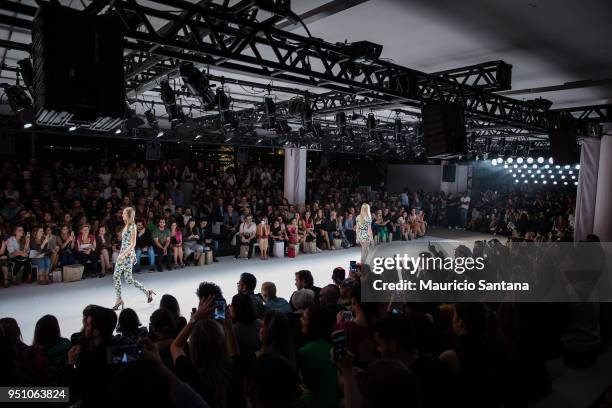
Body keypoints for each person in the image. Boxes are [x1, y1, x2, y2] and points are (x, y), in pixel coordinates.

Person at [298, 305, 342, 408]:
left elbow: (310, 389)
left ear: (313, 324)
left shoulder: (305, 352)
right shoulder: (335, 345)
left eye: (304, 318)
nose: (300, 319)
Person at [112, 207, 155, 310]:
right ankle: (120, 299)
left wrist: (125, 255)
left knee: (124, 278)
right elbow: (124, 243)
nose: (122, 215)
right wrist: (124, 254)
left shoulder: (133, 227)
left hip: (126, 255)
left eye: (124, 214)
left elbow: (132, 244)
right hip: (123, 254)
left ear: (129, 215)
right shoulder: (126, 226)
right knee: (122, 277)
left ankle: (120, 299)